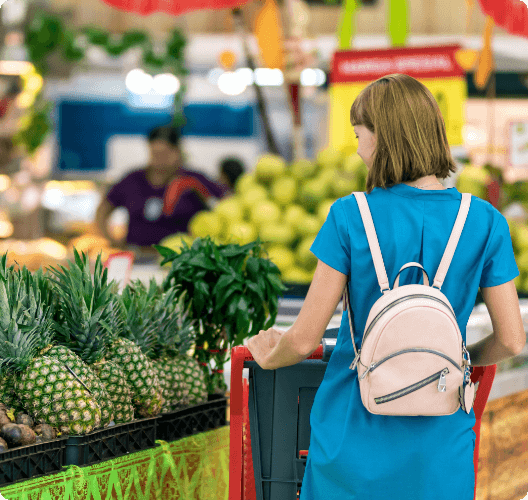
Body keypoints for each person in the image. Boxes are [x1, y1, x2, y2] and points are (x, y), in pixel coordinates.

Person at [247, 73, 525, 499]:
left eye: (360, 134)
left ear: (384, 138)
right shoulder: (486, 221)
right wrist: (455, 363)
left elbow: (303, 339)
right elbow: (510, 340)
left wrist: (269, 356)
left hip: (351, 436)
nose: (357, 148)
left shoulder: (349, 216)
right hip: (441, 440)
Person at [96, 125, 228, 250]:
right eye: (155, 153)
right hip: (137, 255)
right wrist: (111, 241)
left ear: (177, 152)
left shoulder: (193, 180)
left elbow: (225, 203)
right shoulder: (132, 180)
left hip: (181, 258)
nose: (159, 159)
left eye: (164, 154)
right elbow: (103, 209)